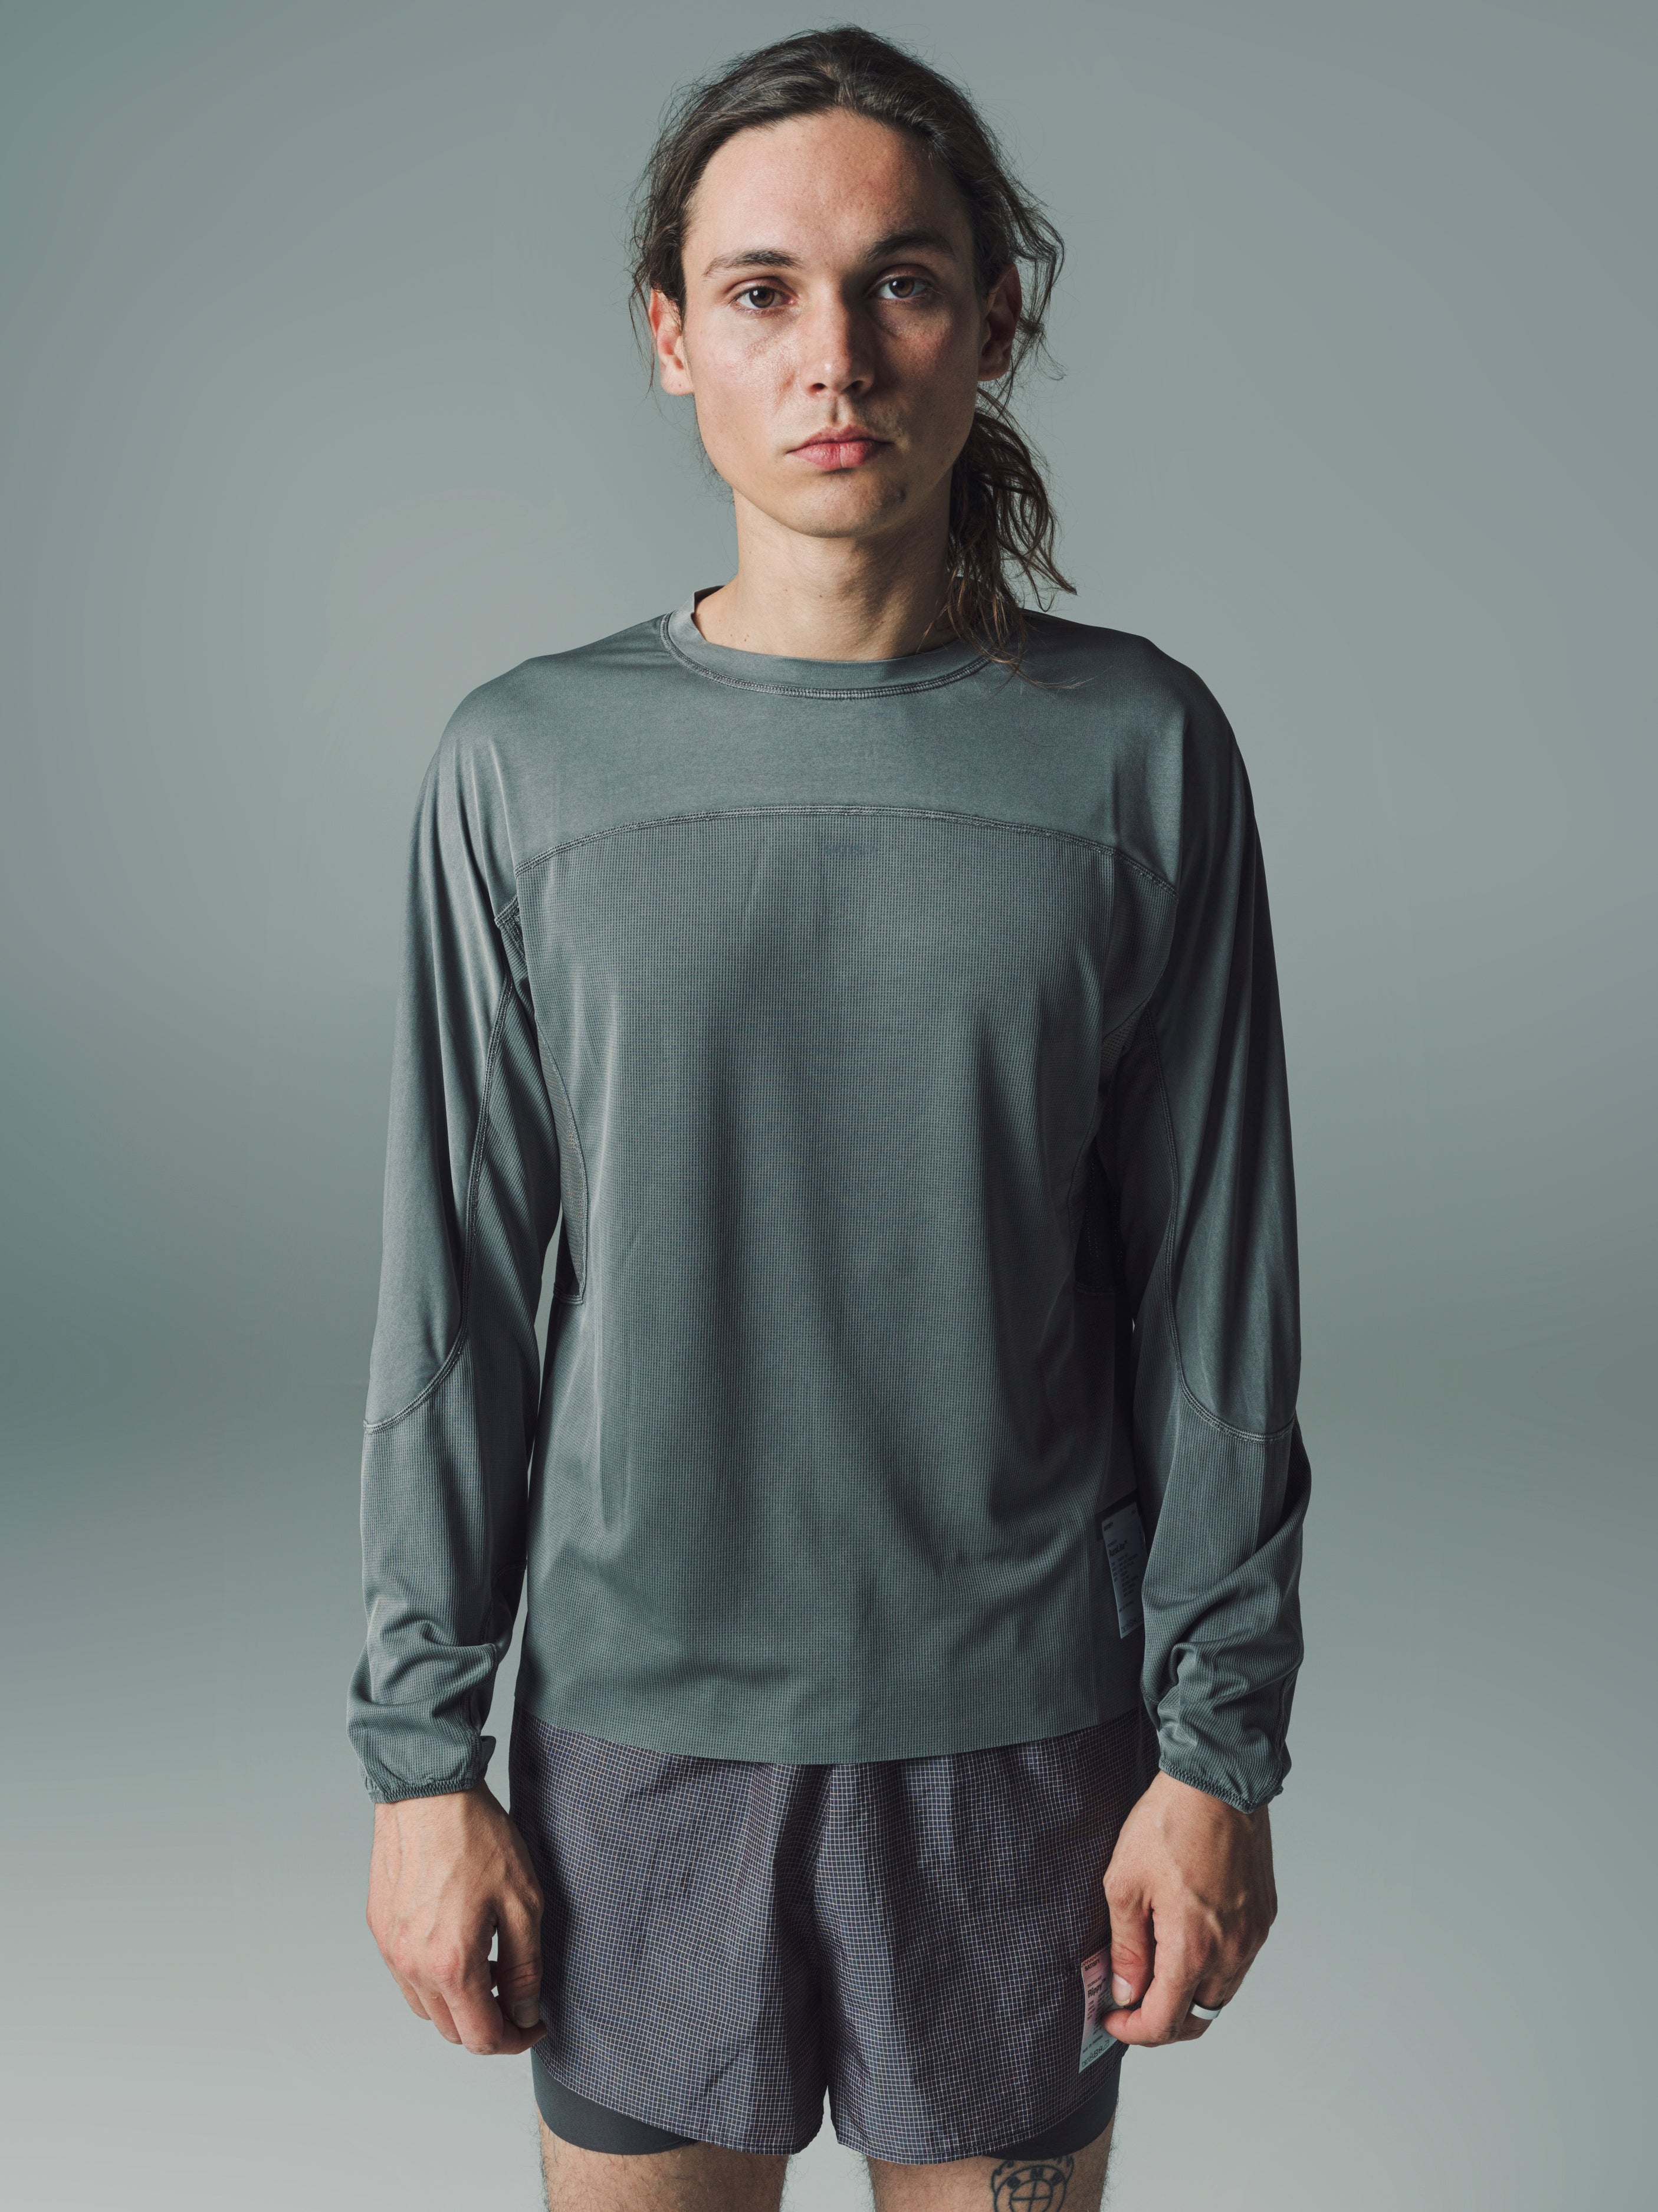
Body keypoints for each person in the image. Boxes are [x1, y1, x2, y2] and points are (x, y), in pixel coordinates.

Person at [349, 25, 1309, 2212]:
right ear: (669, 335)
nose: (836, 355)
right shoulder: (526, 768)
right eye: (762, 290)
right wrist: (420, 1761)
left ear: (995, 320)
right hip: (633, 1748)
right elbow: (453, 1312)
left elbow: (1218, 1302)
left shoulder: (1138, 756)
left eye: (902, 282)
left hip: (1022, 1749)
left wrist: (1214, 1753)